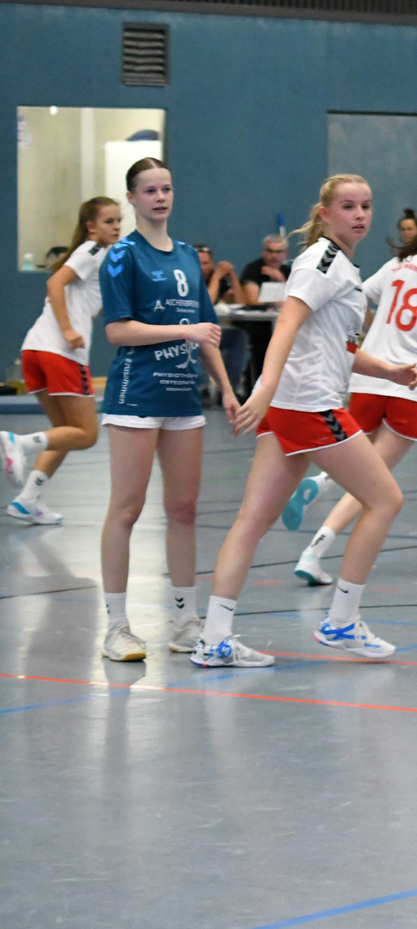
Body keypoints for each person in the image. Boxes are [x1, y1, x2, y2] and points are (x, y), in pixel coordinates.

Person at [195, 175, 417, 668]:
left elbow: (336, 347)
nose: (359, 215)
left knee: (251, 521)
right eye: (348, 206)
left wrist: (388, 371)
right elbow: (288, 322)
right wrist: (264, 387)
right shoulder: (322, 261)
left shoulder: (341, 267)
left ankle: (214, 638)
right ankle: (341, 621)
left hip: (292, 407)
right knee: (385, 499)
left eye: (366, 206)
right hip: (311, 407)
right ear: (324, 214)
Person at [290, 207, 417, 584]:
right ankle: (314, 548)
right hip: (412, 386)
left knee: (362, 462)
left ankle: (322, 483)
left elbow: (359, 299)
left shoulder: (401, 263)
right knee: (374, 481)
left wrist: (380, 329)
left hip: (370, 380)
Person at [96, 159, 240, 664]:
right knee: (127, 508)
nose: (160, 197)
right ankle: (116, 627)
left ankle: (185, 621)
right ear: (132, 198)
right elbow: (117, 330)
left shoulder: (185, 257)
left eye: (167, 189)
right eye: (150, 190)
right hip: (137, 396)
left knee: (183, 510)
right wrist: (183, 332)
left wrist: (227, 388)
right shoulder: (122, 256)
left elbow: (207, 330)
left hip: (183, 399)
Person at [2, 198, 121, 525]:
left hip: (35, 349)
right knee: (87, 434)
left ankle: (27, 500)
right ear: (91, 227)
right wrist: (68, 329)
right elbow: (54, 282)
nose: (116, 227)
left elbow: (90, 302)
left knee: (65, 432)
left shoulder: (99, 258)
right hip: (61, 352)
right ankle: (17, 442)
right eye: (108, 221)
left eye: (118, 221)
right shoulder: (92, 250)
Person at [195, 243, 251, 400]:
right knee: (199, 337)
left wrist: (231, 275)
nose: (202, 267)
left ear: (212, 263)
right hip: (192, 332)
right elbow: (207, 303)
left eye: (205, 263)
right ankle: (202, 388)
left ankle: (229, 389)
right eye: (198, 263)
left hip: (214, 330)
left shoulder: (216, 277)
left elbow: (240, 302)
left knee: (238, 336)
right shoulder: (188, 278)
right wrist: (217, 277)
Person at [238, 234, 289, 388]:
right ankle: (255, 386)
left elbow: (296, 299)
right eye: (270, 251)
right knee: (264, 344)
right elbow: (252, 299)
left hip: (282, 324)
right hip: (257, 325)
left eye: (278, 252)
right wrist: (276, 302)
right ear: (263, 252)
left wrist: (282, 280)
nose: (274, 256)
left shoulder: (289, 272)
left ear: (285, 254)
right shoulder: (253, 270)